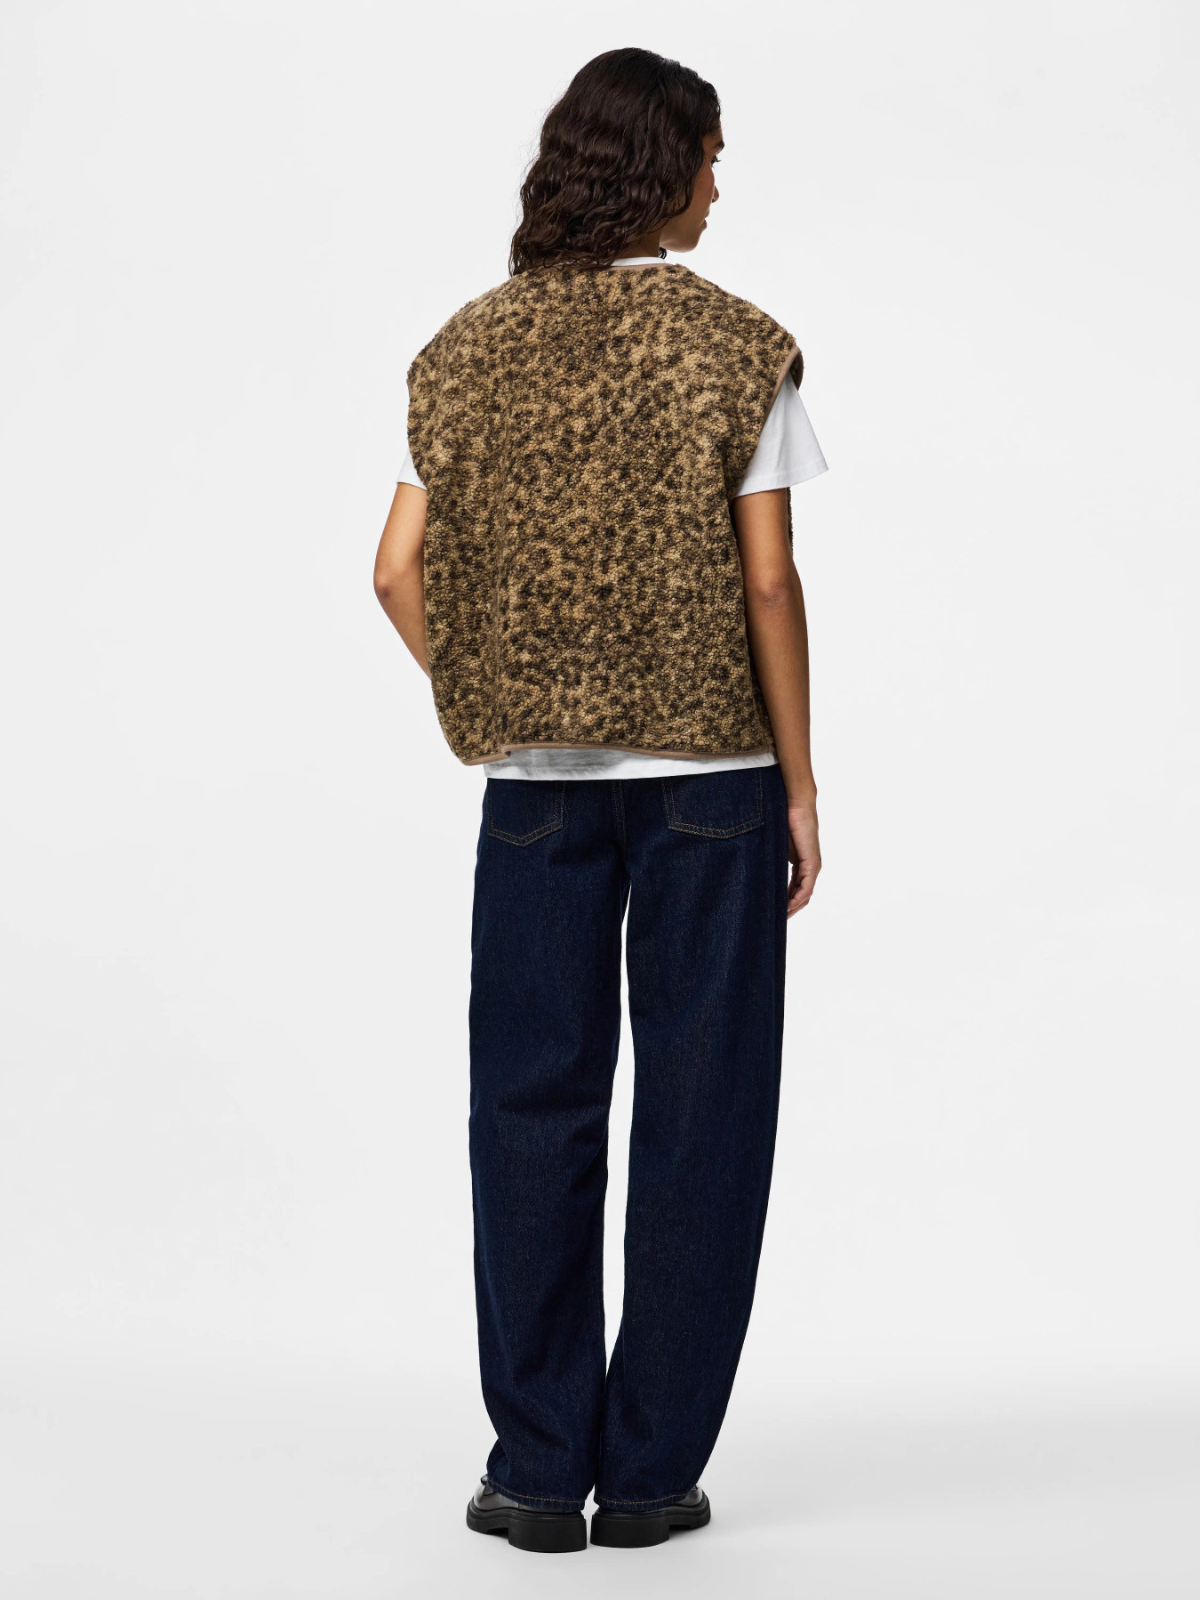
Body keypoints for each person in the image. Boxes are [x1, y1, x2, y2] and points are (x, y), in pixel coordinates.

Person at [373, 47, 826, 1554]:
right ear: (664, 164)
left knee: (530, 1108)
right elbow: (769, 581)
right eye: (712, 156)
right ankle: (646, 1477)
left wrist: (494, 697)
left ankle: (532, 1469)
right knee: (704, 1115)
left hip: (534, 794)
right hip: (714, 789)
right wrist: (801, 785)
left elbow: (395, 572)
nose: (720, 186)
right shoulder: (738, 347)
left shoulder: (462, 351)